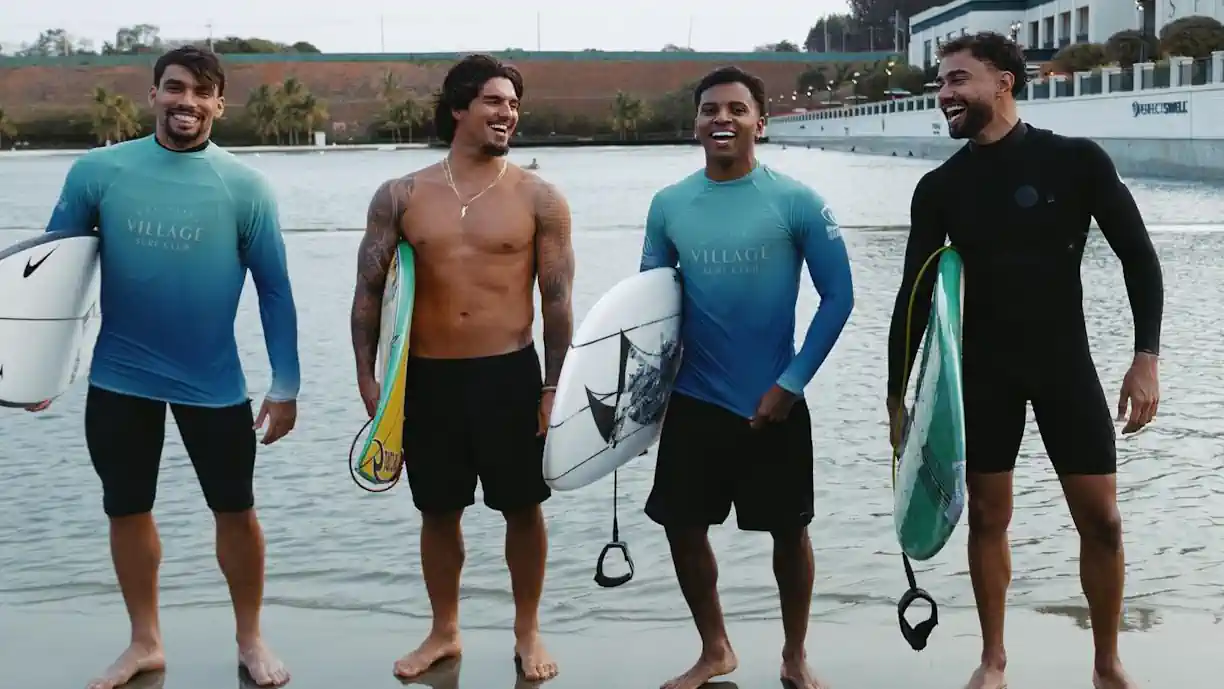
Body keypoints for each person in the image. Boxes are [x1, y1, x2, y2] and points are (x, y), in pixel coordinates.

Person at [885, 32, 1162, 689]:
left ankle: (1106, 661)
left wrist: (1145, 356)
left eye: (957, 80)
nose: (944, 93)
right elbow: (915, 297)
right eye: (940, 83)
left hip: (1063, 362)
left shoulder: (1076, 161)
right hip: (983, 372)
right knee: (987, 515)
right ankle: (994, 657)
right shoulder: (940, 188)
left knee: (1103, 519)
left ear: (1004, 81)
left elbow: (1139, 256)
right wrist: (897, 399)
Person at [31, 46, 300, 689]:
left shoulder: (245, 186)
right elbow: (51, 272)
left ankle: (251, 639)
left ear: (219, 104)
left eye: (203, 92)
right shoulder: (98, 171)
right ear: (152, 94)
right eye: (175, 88)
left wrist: (285, 385)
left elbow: (275, 289)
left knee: (235, 507)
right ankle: (145, 642)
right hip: (120, 376)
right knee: (126, 507)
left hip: (213, 382)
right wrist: (34, 370)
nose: (188, 102)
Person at [348, 54, 572, 683]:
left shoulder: (540, 197)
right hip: (427, 379)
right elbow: (369, 293)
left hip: (509, 376)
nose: (508, 114)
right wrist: (372, 382)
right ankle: (444, 631)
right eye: (495, 102)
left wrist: (554, 385)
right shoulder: (401, 195)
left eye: (514, 105)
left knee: (523, 508)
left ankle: (527, 631)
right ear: (459, 109)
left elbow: (557, 301)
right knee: (438, 510)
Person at [639, 66, 855, 689]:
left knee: (789, 532)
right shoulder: (670, 205)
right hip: (693, 397)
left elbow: (838, 298)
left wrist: (791, 383)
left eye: (736, 109)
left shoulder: (797, 201)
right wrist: (640, 400)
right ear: (696, 123)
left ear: (761, 122)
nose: (722, 120)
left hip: (775, 397)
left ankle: (794, 653)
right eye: (710, 110)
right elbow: (651, 304)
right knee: (682, 526)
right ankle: (715, 649)